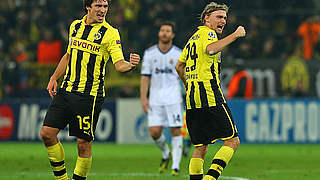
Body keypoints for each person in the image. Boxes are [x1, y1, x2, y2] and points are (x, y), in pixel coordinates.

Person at [39, 0, 140, 180]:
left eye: (105, 6)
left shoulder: (110, 33)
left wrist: (130, 65)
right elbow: (69, 55)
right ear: (88, 7)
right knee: (47, 134)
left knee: (83, 144)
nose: (102, 10)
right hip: (66, 90)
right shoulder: (75, 26)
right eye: (98, 6)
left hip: (89, 96)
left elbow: (119, 64)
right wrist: (54, 77)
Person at [175, 2, 246, 180]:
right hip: (209, 94)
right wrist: (235, 35)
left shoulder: (193, 38)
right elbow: (211, 49)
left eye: (225, 18)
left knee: (200, 147)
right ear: (206, 18)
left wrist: (186, 84)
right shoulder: (208, 34)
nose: (223, 21)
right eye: (219, 17)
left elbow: (178, 66)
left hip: (192, 98)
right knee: (232, 140)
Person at [140, 21, 183, 176]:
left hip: (173, 98)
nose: (164, 33)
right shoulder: (150, 53)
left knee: (175, 130)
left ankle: (176, 166)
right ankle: (166, 153)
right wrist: (144, 98)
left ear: (172, 35)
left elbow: (184, 76)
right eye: (162, 30)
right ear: (159, 33)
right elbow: (145, 77)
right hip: (155, 99)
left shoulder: (179, 53)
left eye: (168, 31)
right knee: (154, 132)